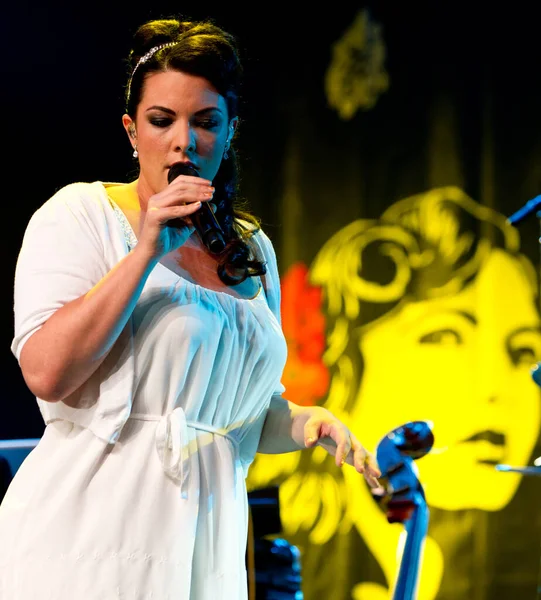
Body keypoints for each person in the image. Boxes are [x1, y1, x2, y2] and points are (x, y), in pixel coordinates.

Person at [0, 15, 381, 600]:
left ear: (229, 133)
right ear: (132, 130)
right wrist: (148, 250)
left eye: (206, 122)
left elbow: (239, 415)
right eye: (162, 121)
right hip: (89, 538)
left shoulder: (250, 248)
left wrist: (310, 423)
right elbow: (47, 371)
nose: (184, 142)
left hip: (205, 542)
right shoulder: (81, 215)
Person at [247, 186, 541, 599]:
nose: (497, 388)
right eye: (444, 337)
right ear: (344, 365)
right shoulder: (260, 559)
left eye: (523, 350)